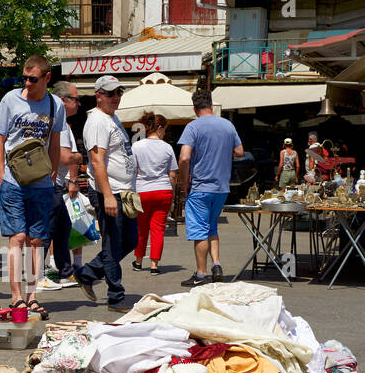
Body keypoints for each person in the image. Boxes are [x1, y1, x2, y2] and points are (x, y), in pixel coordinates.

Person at [0, 55, 64, 317]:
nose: (27, 82)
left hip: (41, 181)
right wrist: (0, 173)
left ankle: (32, 295)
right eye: (24, 77)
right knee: (18, 237)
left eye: (33, 79)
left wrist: (53, 173)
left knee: (36, 240)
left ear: (46, 78)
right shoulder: (11, 99)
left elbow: (55, 142)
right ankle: (16, 295)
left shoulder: (55, 104)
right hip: (12, 179)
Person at [72, 77, 138, 310]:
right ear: (98, 95)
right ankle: (116, 297)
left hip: (124, 192)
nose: (116, 97)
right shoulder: (97, 121)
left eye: (119, 92)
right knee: (112, 244)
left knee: (130, 240)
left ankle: (88, 273)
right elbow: (97, 161)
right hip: (109, 193)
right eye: (110, 93)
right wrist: (108, 196)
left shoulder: (111, 117)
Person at [177, 89, 244, 286]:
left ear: (194, 108)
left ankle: (201, 273)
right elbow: (240, 151)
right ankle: (216, 264)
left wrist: (184, 182)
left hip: (201, 186)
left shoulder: (193, 127)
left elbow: (184, 157)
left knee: (199, 230)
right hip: (221, 187)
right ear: (211, 105)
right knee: (211, 227)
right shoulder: (228, 125)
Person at [40, 81, 82, 291]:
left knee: (63, 228)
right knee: (46, 231)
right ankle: (37, 277)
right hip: (51, 184)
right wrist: (81, 156)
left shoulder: (59, 121)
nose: (79, 104)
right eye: (75, 99)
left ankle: (66, 273)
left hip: (54, 183)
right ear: (63, 100)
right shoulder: (61, 124)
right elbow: (66, 157)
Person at [131, 111, 177, 275]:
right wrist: (172, 193)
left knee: (141, 228)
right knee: (158, 229)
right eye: (164, 129)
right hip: (163, 190)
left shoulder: (137, 146)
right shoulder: (167, 148)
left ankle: (138, 261)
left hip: (142, 190)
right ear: (159, 128)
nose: (165, 132)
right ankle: (154, 265)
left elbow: (133, 171)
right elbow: (172, 174)